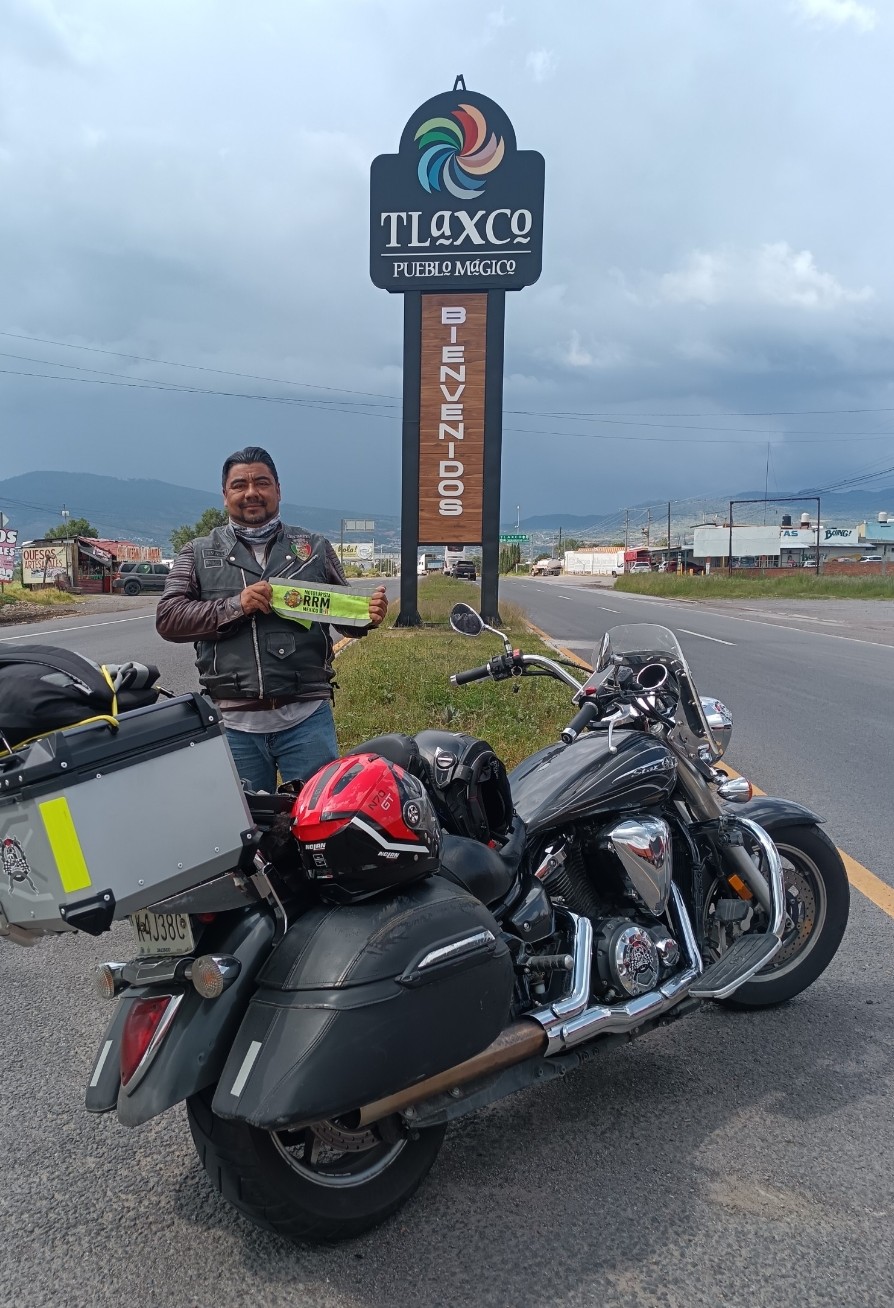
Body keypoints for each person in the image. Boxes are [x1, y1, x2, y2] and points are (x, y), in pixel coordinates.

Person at [156, 446, 388, 792]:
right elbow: (169, 617)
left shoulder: (314, 548)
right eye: (239, 485)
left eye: (261, 483)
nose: (251, 492)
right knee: (247, 823)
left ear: (278, 490)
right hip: (234, 726)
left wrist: (368, 615)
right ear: (225, 495)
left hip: (307, 721)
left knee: (318, 819)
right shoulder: (198, 552)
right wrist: (236, 605)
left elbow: (346, 618)